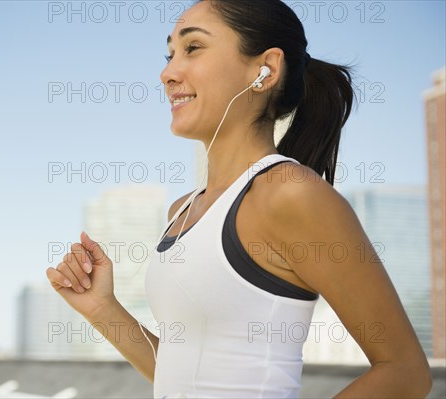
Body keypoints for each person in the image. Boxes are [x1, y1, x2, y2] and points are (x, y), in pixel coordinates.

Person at [46, 0, 432, 397]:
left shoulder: (290, 194)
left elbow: (405, 372)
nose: (167, 73)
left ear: (265, 69)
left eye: (193, 48)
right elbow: (187, 375)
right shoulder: (182, 210)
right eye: (169, 54)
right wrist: (102, 309)